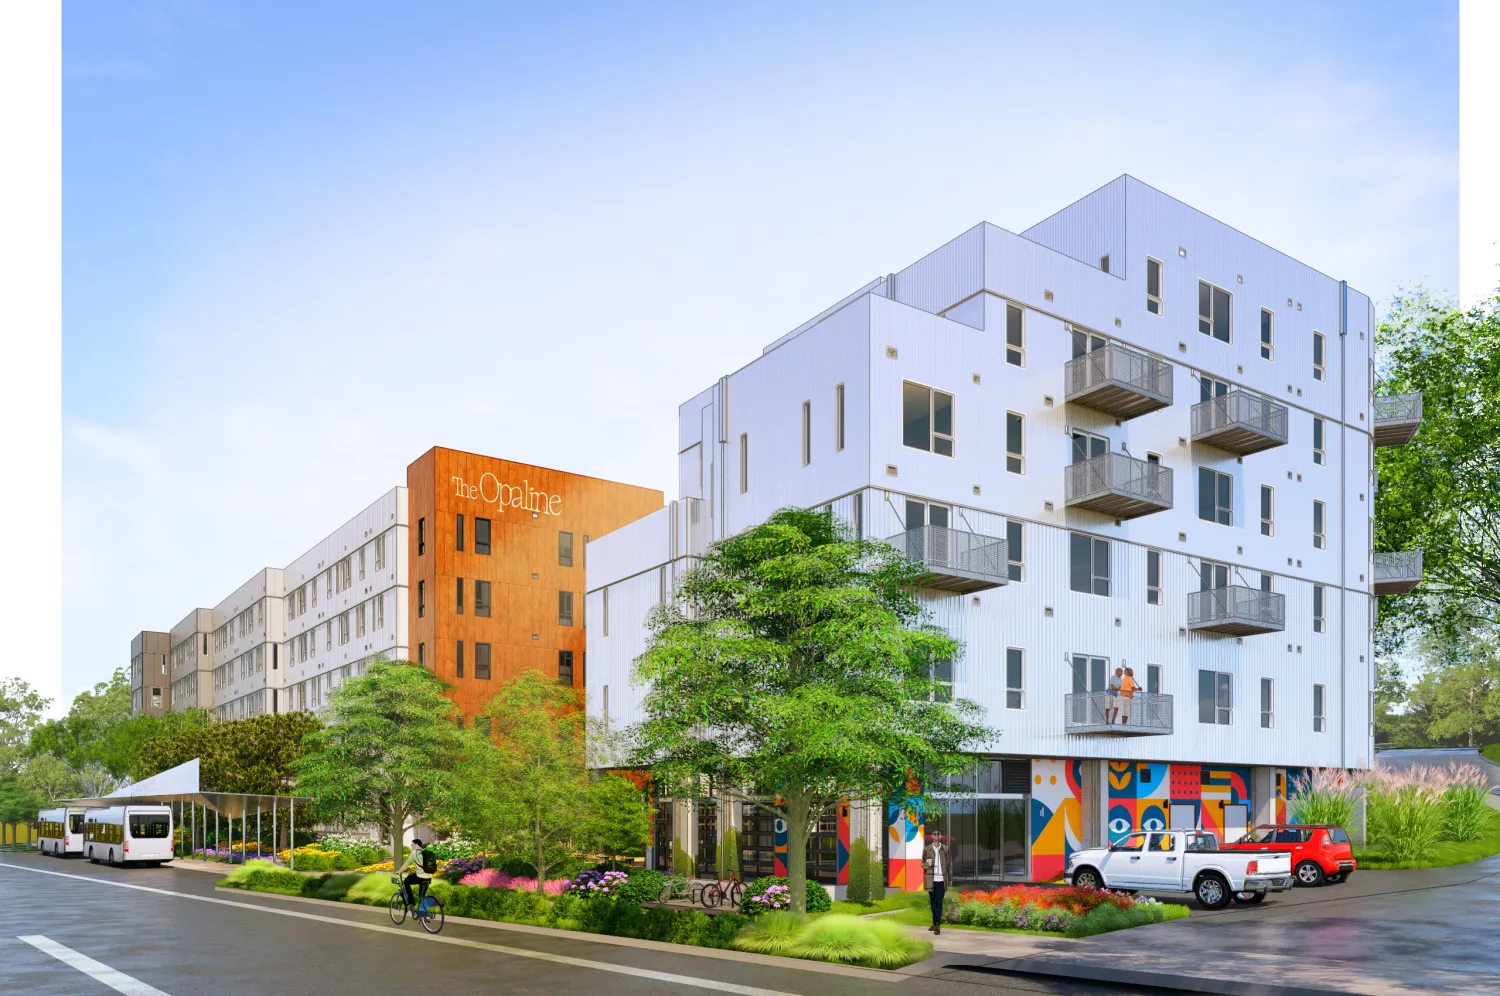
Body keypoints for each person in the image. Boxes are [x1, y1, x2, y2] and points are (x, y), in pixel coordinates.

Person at [922, 831, 953, 935]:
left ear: (941, 836)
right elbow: (923, 864)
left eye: (938, 834)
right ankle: (934, 923)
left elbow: (949, 865)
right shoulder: (927, 849)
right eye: (934, 834)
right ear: (932, 836)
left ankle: (937, 925)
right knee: (932, 903)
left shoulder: (945, 849)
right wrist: (926, 864)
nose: (936, 836)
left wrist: (949, 880)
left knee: (939, 903)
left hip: (941, 880)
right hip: (931, 879)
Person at [395, 837, 434, 909]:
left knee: (406, 881)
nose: (411, 846)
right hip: (429, 877)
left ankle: (411, 901)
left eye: (412, 845)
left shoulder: (414, 853)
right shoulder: (426, 852)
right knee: (421, 897)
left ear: (416, 845)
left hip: (420, 877)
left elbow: (405, 865)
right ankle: (424, 916)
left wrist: (399, 871)